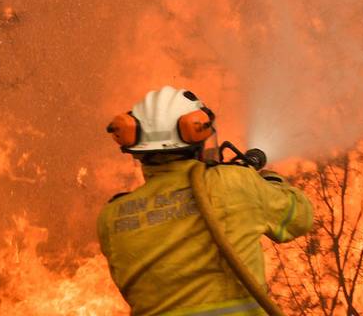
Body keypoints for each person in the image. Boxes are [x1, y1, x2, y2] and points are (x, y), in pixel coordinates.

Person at [98, 86, 313, 316]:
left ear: (137, 152)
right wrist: (268, 179)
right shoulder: (233, 183)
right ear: (199, 141)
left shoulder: (111, 218)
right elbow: (300, 217)